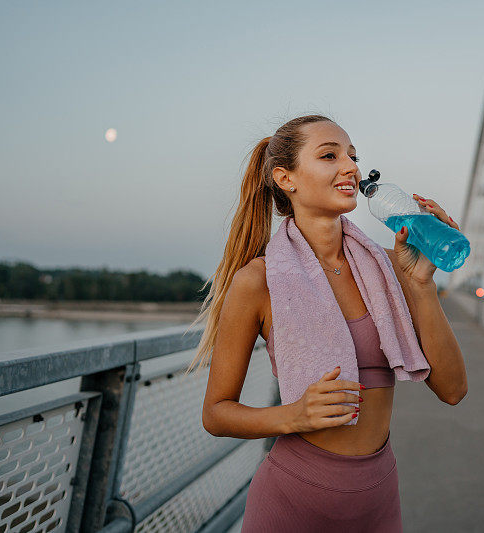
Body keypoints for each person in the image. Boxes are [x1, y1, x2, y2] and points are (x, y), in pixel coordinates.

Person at [185, 114, 468, 531]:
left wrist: (421, 283)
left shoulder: (389, 269)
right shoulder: (259, 281)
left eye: (353, 156)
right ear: (286, 178)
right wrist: (293, 415)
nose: (351, 166)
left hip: (377, 497)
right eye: (329, 155)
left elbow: (453, 390)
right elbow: (216, 413)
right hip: (294, 498)